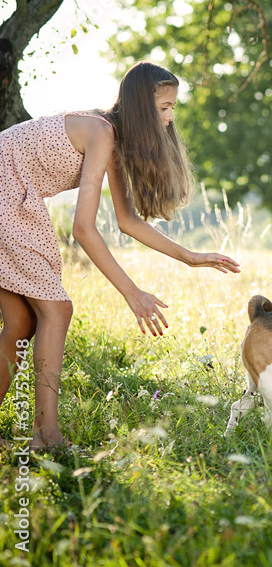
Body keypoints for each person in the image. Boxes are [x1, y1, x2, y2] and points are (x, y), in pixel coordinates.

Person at [0, 61, 240, 451]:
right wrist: (132, 293)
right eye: (164, 107)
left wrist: (190, 256)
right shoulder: (100, 131)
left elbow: (127, 220)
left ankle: (42, 435)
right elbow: (83, 228)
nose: (170, 117)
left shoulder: (109, 138)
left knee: (21, 322)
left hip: (12, 197)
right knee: (56, 311)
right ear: (143, 106)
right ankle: (46, 436)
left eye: (172, 107)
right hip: (6, 196)